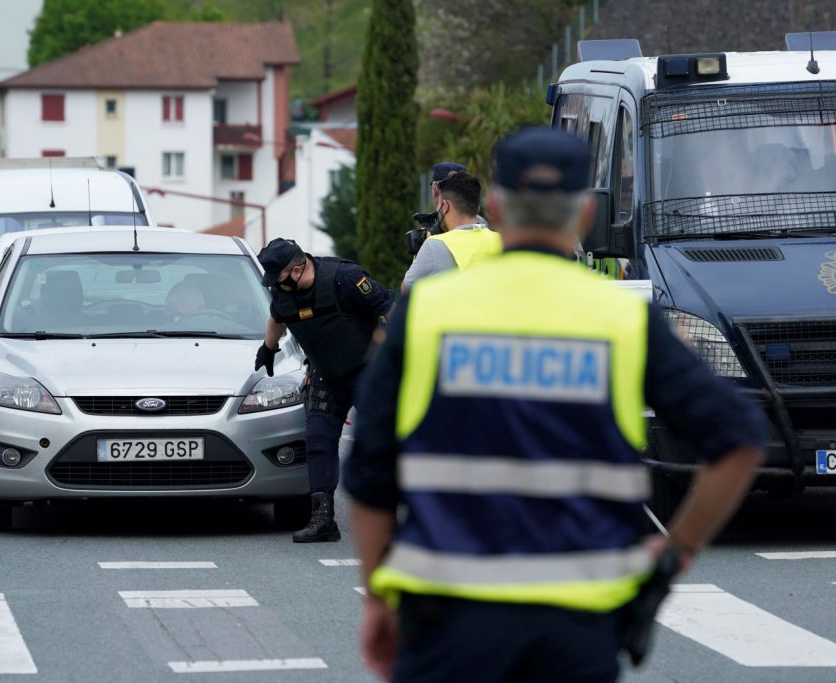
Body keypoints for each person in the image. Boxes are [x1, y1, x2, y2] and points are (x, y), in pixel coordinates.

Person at [344, 127, 767, 682]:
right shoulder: (623, 321)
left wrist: (379, 596)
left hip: (449, 616)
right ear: (585, 216)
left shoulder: (427, 313)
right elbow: (739, 441)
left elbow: (369, 474)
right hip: (579, 624)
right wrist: (672, 557)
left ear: (495, 207)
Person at [255, 238, 393, 543]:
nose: (274, 285)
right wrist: (268, 348)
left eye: (277, 277)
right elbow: (277, 318)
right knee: (318, 440)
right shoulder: (283, 292)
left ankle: (388, 514)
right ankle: (323, 520)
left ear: (296, 270)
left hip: (367, 371)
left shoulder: (344, 278)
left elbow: (387, 305)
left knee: (379, 441)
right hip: (326, 375)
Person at [401, 170, 502, 293]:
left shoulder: (434, 245)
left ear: (445, 206)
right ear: (477, 207)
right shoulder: (502, 241)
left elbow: (406, 291)